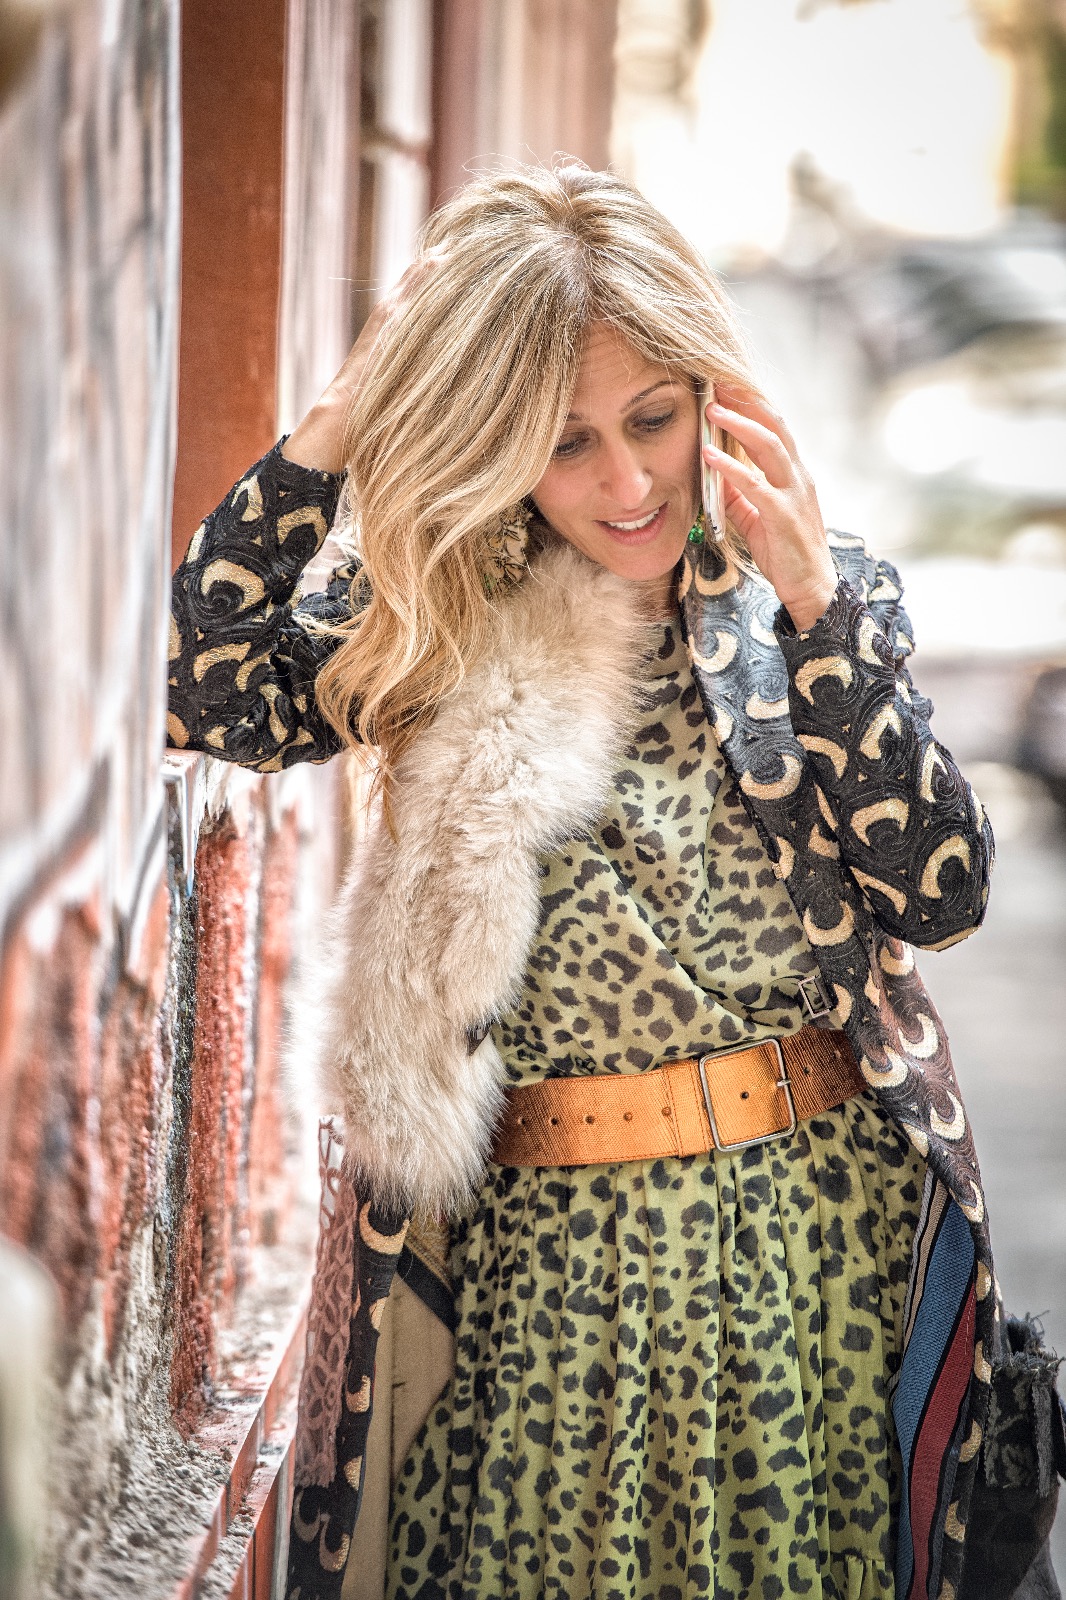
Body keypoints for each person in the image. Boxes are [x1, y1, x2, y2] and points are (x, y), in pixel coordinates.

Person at [170, 163, 1016, 1600]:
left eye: (652, 419)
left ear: (712, 399)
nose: (626, 483)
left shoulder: (808, 598)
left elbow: (940, 889)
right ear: (499, 444)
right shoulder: (435, 616)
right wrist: (342, 421)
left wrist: (813, 609)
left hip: (808, 1249)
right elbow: (212, 691)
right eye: (564, 442)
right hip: (549, 1272)